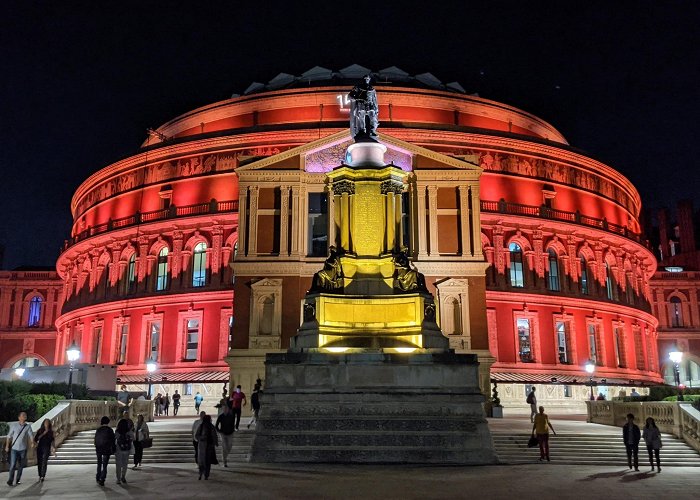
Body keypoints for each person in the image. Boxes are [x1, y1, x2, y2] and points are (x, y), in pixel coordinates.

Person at [5, 411, 35, 486]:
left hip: (23, 449)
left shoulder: (27, 426)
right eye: (23, 415)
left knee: (21, 466)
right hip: (14, 448)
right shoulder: (14, 425)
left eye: (25, 415)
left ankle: (18, 479)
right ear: (19, 417)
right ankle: (10, 480)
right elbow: (9, 436)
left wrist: (32, 442)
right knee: (12, 465)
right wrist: (7, 446)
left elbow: (31, 435)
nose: (24, 416)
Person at [195, 415, 219, 480]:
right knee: (202, 461)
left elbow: (214, 435)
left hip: (209, 446)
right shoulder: (201, 426)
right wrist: (202, 438)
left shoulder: (211, 427)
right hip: (202, 446)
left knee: (207, 461)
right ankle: (201, 474)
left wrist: (215, 442)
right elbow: (196, 436)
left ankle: (206, 475)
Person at [94, 416, 115, 486]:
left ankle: (98, 476)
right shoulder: (110, 430)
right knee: (105, 464)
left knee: (99, 463)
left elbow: (95, 439)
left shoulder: (98, 430)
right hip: (107, 449)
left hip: (99, 449)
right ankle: (102, 478)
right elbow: (113, 440)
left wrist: (96, 446)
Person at [114, 418, 135, 484]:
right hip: (126, 449)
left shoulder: (117, 431)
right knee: (125, 464)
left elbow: (115, 439)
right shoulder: (129, 431)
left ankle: (118, 479)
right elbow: (133, 439)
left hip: (119, 449)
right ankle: (123, 477)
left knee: (118, 464)